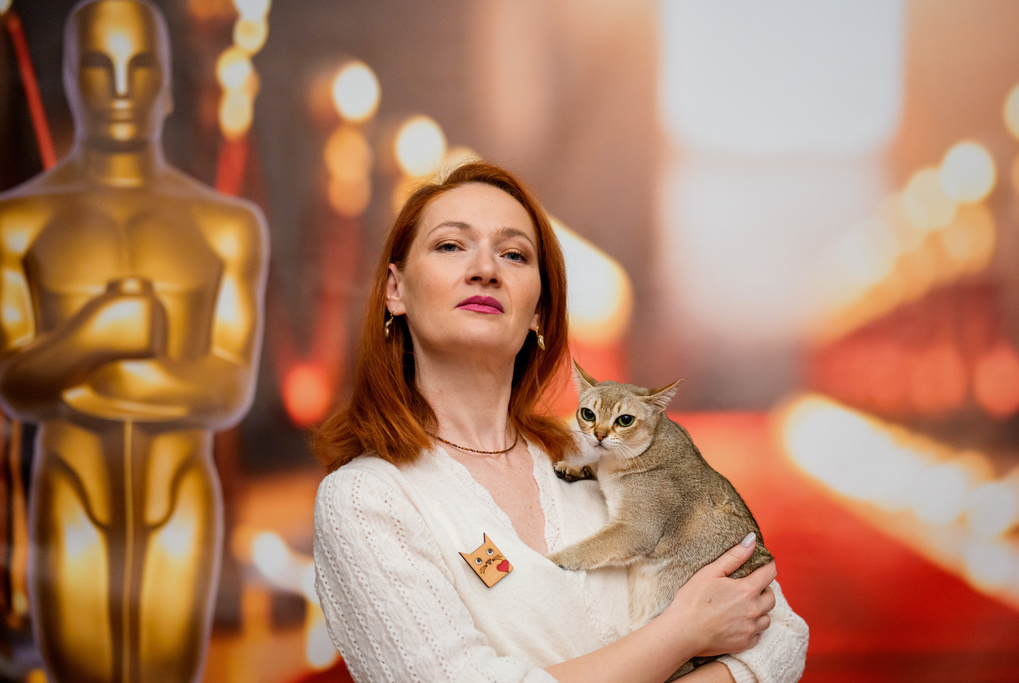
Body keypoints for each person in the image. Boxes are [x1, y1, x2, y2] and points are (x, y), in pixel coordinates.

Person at [312, 162, 807, 682]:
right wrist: (683, 632)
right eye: (451, 246)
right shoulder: (366, 500)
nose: (485, 269)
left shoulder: (598, 453)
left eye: (513, 254)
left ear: (537, 311)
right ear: (396, 290)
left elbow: (780, 633)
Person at [0, 1, 267, 681]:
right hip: (69, 489)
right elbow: (14, 383)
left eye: (139, 66)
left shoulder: (227, 229)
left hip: (178, 490)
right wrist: (104, 330)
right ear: (69, 79)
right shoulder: (18, 223)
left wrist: (88, 372)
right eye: (99, 66)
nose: (120, 89)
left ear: (167, 84)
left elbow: (227, 390)